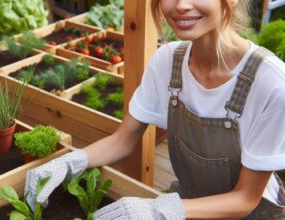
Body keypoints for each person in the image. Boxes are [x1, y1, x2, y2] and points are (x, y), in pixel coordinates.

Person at [24, 0, 285, 219]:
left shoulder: (271, 83)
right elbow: (123, 139)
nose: (181, 5)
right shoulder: (168, 61)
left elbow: (245, 199)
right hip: (190, 205)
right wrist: (69, 162)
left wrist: (159, 209)